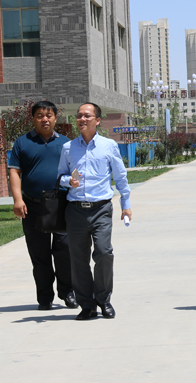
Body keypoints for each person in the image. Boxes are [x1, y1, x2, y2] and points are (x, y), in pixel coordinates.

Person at [57, 103, 132, 320]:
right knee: (78, 259)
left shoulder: (109, 146)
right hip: (75, 210)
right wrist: (68, 181)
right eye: (79, 116)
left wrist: (126, 204)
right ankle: (87, 305)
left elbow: (120, 176)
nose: (82, 119)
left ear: (97, 120)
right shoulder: (68, 148)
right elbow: (60, 176)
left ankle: (103, 300)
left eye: (87, 116)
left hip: (101, 209)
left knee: (104, 252)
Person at [8, 101, 77, 311]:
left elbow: (74, 171)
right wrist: (17, 200)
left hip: (61, 204)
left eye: (49, 115)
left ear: (55, 118)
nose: (44, 119)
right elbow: (14, 172)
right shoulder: (22, 143)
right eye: (40, 115)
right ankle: (45, 297)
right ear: (33, 118)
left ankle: (67, 292)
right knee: (39, 254)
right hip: (32, 205)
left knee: (64, 250)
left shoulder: (66, 143)